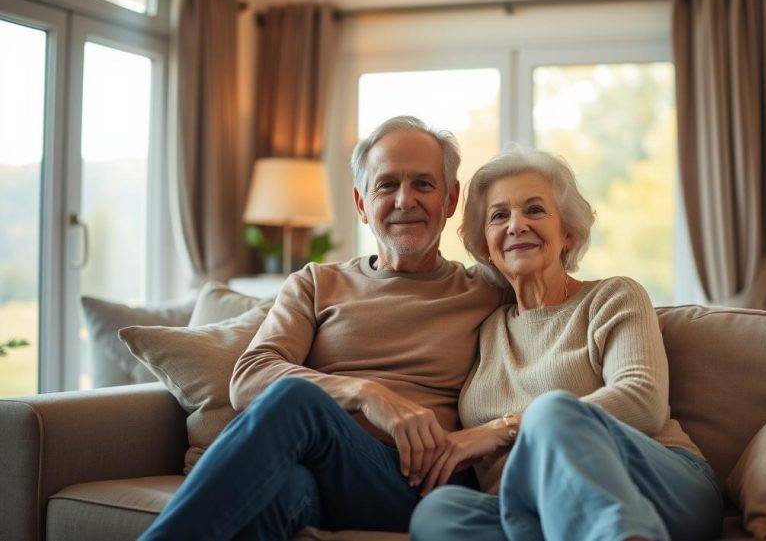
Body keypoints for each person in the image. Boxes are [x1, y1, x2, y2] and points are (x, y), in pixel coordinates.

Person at [139, 116, 506, 540]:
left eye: (423, 184)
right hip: (323, 478)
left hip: (420, 484)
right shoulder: (317, 283)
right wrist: (366, 393)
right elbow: (250, 378)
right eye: (386, 185)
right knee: (283, 490)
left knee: (296, 397)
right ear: (361, 204)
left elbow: (558, 312)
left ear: (450, 199)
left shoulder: (487, 289)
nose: (405, 200)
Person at [410, 149, 723, 541]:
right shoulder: (485, 328)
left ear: (568, 233)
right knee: (441, 512)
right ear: (484, 244)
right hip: (536, 509)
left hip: (660, 485)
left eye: (535, 210)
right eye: (499, 215)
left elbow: (643, 399)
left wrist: (505, 428)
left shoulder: (613, 297)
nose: (516, 225)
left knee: (552, 413)